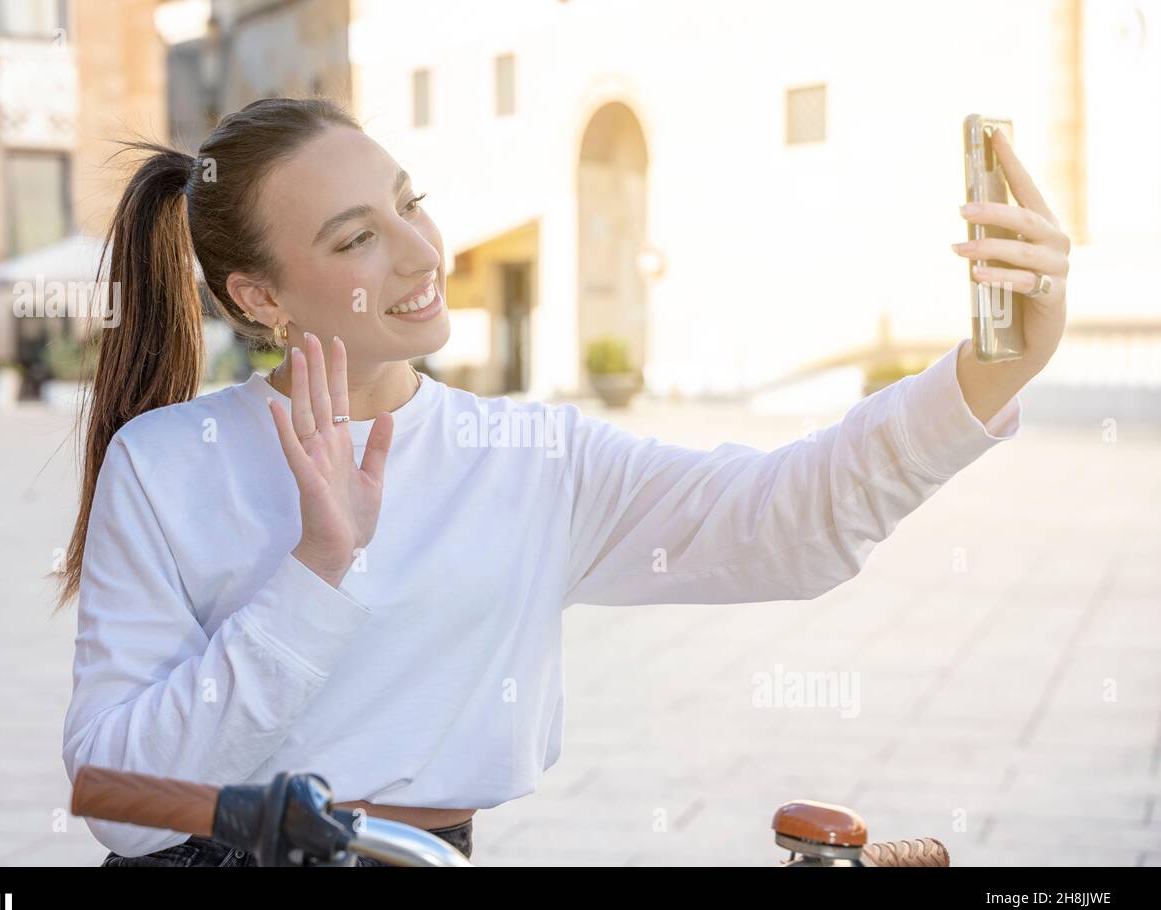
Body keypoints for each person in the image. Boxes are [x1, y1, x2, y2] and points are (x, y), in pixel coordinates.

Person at [56, 98, 1069, 867]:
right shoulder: (165, 461)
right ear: (259, 294)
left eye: (411, 204)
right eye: (357, 236)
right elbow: (111, 787)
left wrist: (994, 366)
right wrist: (318, 567)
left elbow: (784, 519)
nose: (418, 252)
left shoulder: (530, 457)